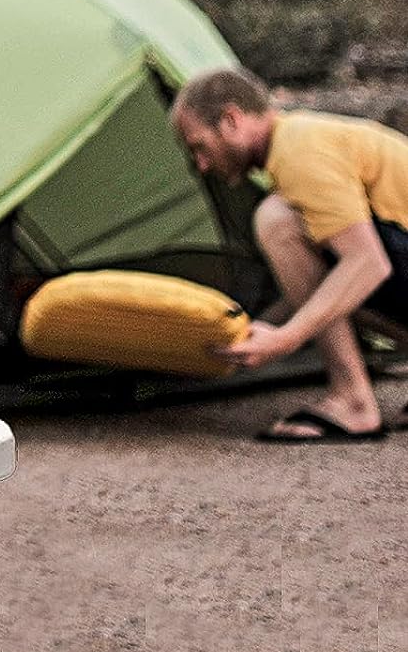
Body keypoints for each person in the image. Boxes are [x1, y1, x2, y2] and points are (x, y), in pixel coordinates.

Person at [170, 66, 408, 441]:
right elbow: (317, 285)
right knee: (324, 276)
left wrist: (285, 339)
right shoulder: (300, 139)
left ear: (231, 120)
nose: (201, 165)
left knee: (277, 219)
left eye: (199, 146)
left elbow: (367, 263)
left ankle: (353, 403)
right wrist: (246, 331)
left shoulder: (298, 148)